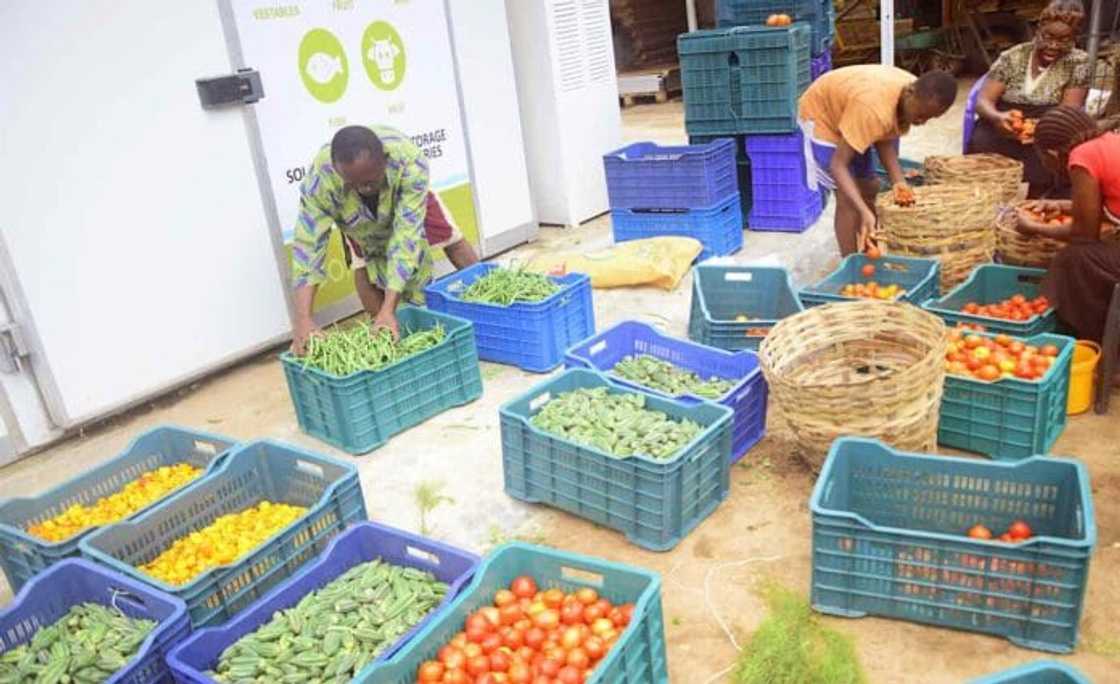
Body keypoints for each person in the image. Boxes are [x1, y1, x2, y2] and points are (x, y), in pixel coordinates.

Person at [289, 125, 479, 354]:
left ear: (385, 161)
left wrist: (390, 306)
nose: (362, 189)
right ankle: (383, 330)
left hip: (406, 204)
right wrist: (303, 320)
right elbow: (307, 246)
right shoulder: (322, 179)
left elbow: (405, 239)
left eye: (369, 182)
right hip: (358, 218)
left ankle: (483, 300)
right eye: (353, 183)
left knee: (449, 237)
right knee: (363, 262)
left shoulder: (409, 162)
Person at [798, 66, 958, 255]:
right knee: (848, 200)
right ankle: (851, 264)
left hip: (854, 110)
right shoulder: (873, 109)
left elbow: (885, 138)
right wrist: (864, 211)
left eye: (930, 118)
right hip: (822, 116)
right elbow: (838, 165)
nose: (922, 121)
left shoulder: (912, 95)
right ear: (910, 93)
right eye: (921, 115)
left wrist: (899, 182)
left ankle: (869, 247)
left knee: (869, 188)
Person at [1016, 106, 1120, 357]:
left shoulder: (1082, 157)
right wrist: (1061, 205)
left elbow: (1084, 235)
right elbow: (1107, 203)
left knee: (1074, 259)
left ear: (1051, 153)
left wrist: (1034, 227)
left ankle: (1103, 349)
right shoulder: (1107, 141)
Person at [968, 0, 1089, 198]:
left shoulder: (1078, 62)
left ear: (1074, 37)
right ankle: (987, 199)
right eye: (1048, 37)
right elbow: (983, 102)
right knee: (982, 140)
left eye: (1063, 40)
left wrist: (1039, 128)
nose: (1053, 45)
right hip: (1004, 119)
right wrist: (997, 118)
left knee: (1049, 153)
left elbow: (1069, 109)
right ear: (1038, 30)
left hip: (1050, 124)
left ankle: (1034, 201)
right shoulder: (1013, 57)